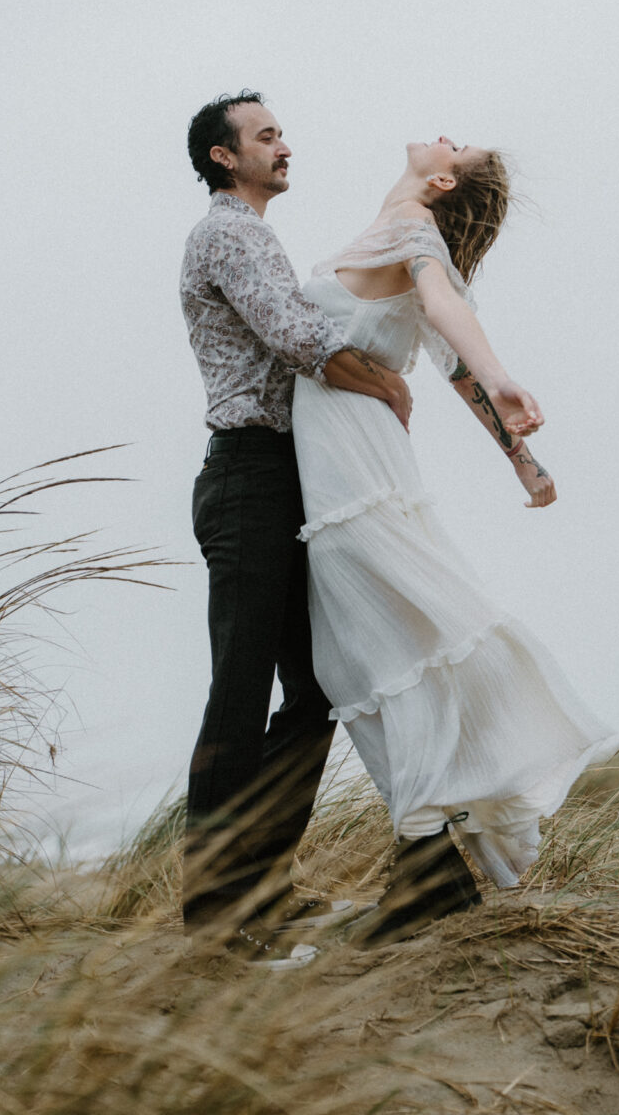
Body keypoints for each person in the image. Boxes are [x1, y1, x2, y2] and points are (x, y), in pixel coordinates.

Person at [292, 136, 611, 945]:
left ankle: (425, 869)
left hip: (352, 464)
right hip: (349, 452)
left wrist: (503, 375)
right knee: (367, 653)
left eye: (456, 148)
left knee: (379, 649)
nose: (446, 133)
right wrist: (523, 462)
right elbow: (454, 371)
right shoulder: (393, 231)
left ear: (438, 182)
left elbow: (447, 314)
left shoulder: (408, 224)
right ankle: (428, 862)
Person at [180, 91, 413, 961]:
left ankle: (261, 883)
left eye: (281, 133)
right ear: (221, 156)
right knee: (239, 698)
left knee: (314, 690)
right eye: (265, 135)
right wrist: (387, 383)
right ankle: (214, 914)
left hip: (282, 481)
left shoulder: (254, 234)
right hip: (245, 479)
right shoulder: (227, 234)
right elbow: (294, 335)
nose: (284, 145)